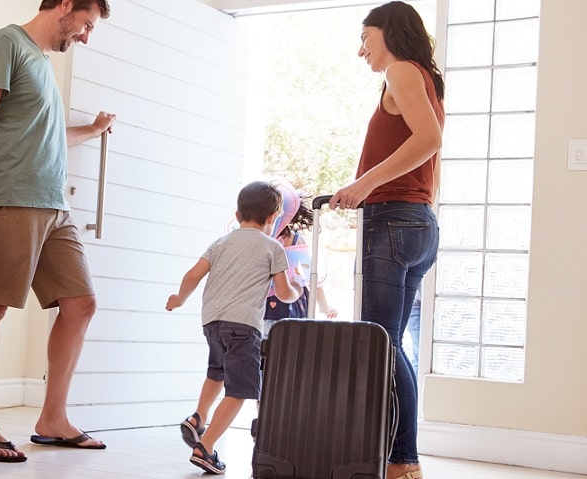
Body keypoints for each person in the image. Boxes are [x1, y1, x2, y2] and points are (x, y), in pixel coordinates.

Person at [0, 0, 114, 464]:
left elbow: (49, 133)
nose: (86, 37)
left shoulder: (42, 65)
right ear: (67, 7)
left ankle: (52, 419)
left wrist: (92, 131)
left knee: (81, 303)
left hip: (55, 204)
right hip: (11, 198)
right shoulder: (5, 45)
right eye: (87, 25)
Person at [328, 2, 444, 478]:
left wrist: (363, 185)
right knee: (390, 344)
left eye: (366, 39)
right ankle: (401, 461)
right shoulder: (422, 77)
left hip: (394, 220)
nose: (362, 51)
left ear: (389, 33)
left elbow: (428, 139)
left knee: (380, 343)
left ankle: (403, 462)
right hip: (416, 223)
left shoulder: (401, 70)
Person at [166, 181, 300, 475]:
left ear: (237, 214)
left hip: (212, 322)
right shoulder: (273, 247)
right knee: (239, 390)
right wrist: (297, 292)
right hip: (243, 326)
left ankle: (198, 417)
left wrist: (179, 298)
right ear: (273, 217)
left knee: (217, 372)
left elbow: (193, 274)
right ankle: (206, 446)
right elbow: (282, 290)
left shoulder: (221, 242)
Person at [263, 181, 338, 333]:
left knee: (269, 348)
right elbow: (311, 276)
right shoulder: (286, 239)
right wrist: (324, 306)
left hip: (282, 302)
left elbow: (310, 275)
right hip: (279, 303)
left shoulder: (287, 240)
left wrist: (324, 306)